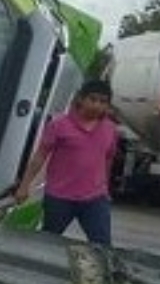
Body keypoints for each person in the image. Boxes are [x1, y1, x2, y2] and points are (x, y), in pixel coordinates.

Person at [13, 80, 119, 246]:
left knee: (103, 246)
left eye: (102, 101)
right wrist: (24, 186)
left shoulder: (110, 129)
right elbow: (40, 156)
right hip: (59, 197)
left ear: (107, 105)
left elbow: (107, 159)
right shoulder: (59, 125)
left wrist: (105, 189)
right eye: (92, 99)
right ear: (81, 99)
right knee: (48, 242)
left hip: (95, 199)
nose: (97, 105)